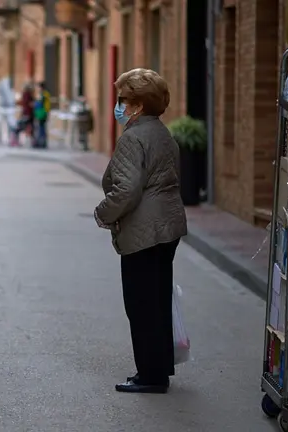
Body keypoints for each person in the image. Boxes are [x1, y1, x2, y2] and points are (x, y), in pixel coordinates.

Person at [93, 68, 187, 394]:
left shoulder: (133, 138)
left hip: (144, 230)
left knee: (141, 304)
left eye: (123, 100)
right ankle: (159, 368)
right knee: (158, 300)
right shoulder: (162, 134)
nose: (119, 106)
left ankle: (150, 376)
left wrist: (102, 213)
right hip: (167, 227)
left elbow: (127, 190)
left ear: (138, 105)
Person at [10, 82, 35, 147]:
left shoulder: (26, 95)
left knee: (21, 128)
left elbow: (25, 105)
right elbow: (27, 105)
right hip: (28, 115)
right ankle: (17, 141)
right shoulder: (27, 95)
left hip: (27, 114)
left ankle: (16, 141)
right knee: (25, 128)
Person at [33, 82, 51, 149]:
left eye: (38, 87)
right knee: (41, 127)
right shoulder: (45, 94)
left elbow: (39, 104)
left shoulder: (43, 95)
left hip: (42, 113)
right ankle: (42, 141)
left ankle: (42, 142)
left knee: (41, 128)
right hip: (42, 113)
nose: (38, 89)